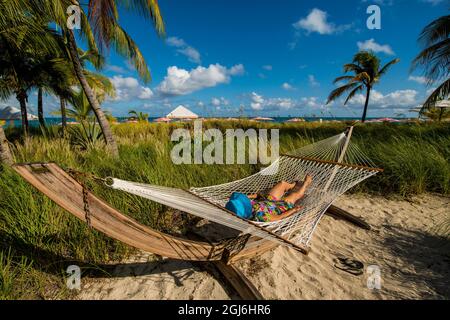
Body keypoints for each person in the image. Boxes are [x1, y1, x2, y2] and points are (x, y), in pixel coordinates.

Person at [225, 175, 313, 222]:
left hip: (266, 200)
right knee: (295, 195)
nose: (246, 201)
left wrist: (246, 196)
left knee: (282, 183)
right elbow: (279, 217)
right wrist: (293, 210)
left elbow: (254, 198)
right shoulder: (259, 216)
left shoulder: (246, 207)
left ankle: (293, 185)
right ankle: (306, 183)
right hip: (279, 207)